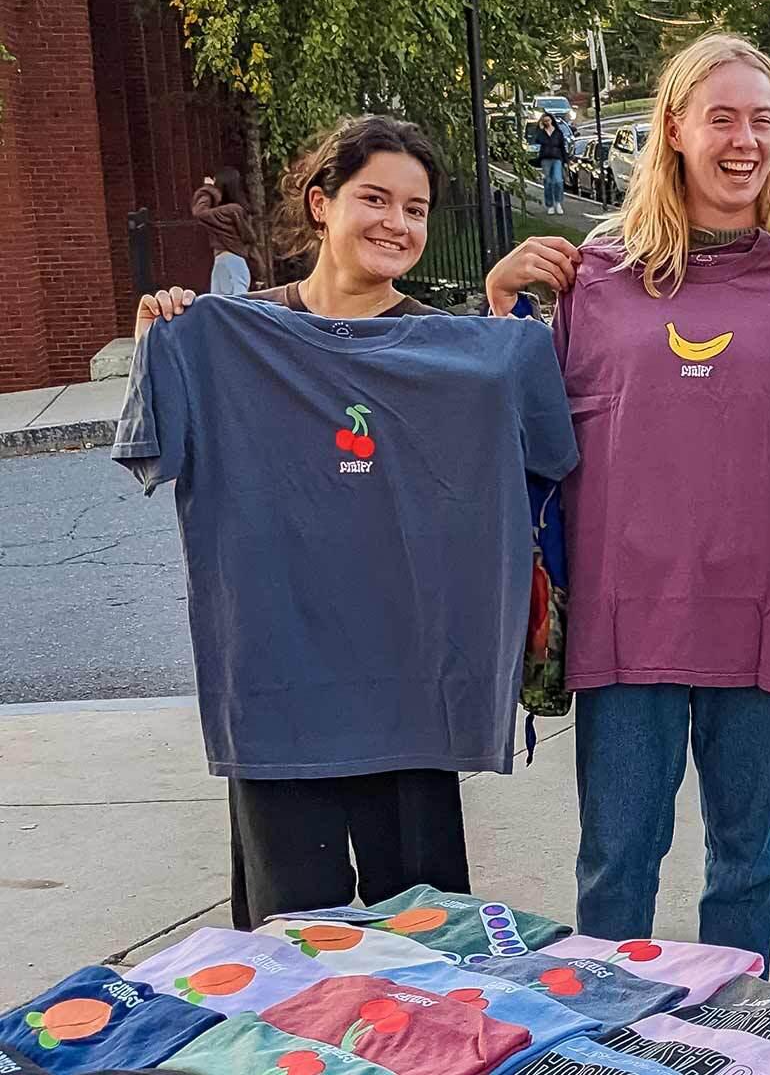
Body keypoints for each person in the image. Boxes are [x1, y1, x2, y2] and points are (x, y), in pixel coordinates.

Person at [479, 32, 770, 968]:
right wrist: (500, 308)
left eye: (764, 120)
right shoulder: (593, 280)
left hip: (769, 611)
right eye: (722, 117)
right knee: (616, 865)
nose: (746, 139)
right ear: (673, 129)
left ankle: (736, 1041)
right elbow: (517, 437)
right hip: (626, 617)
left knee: (747, 867)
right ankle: (608, 1044)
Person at [130, 116, 477, 931]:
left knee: (427, 948)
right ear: (322, 204)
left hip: (409, 688)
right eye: (376, 199)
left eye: (417, 209)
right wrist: (161, 344)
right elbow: (155, 450)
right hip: (278, 689)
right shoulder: (225, 337)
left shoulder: (451, 356)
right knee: (291, 964)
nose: (399, 223)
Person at [193, 167, 262, 295]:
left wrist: (208, 189)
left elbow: (200, 212)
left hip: (230, 261)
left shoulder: (231, 211)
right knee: (220, 307)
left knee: (235, 306)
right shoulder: (231, 210)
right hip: (225, 261)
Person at [535, 113, 571, 215]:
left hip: (557, 158)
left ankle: (558, 203)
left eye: (548, 120)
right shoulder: (541, 133)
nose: (547, 123)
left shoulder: (558, 133)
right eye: (545, 121)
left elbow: (562, 147)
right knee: (548, 182)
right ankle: (550, 205)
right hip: (545, 159)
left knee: (558, 180)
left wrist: (566, 160)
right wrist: (540, 128)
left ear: (551, 120)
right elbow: (538, 140)